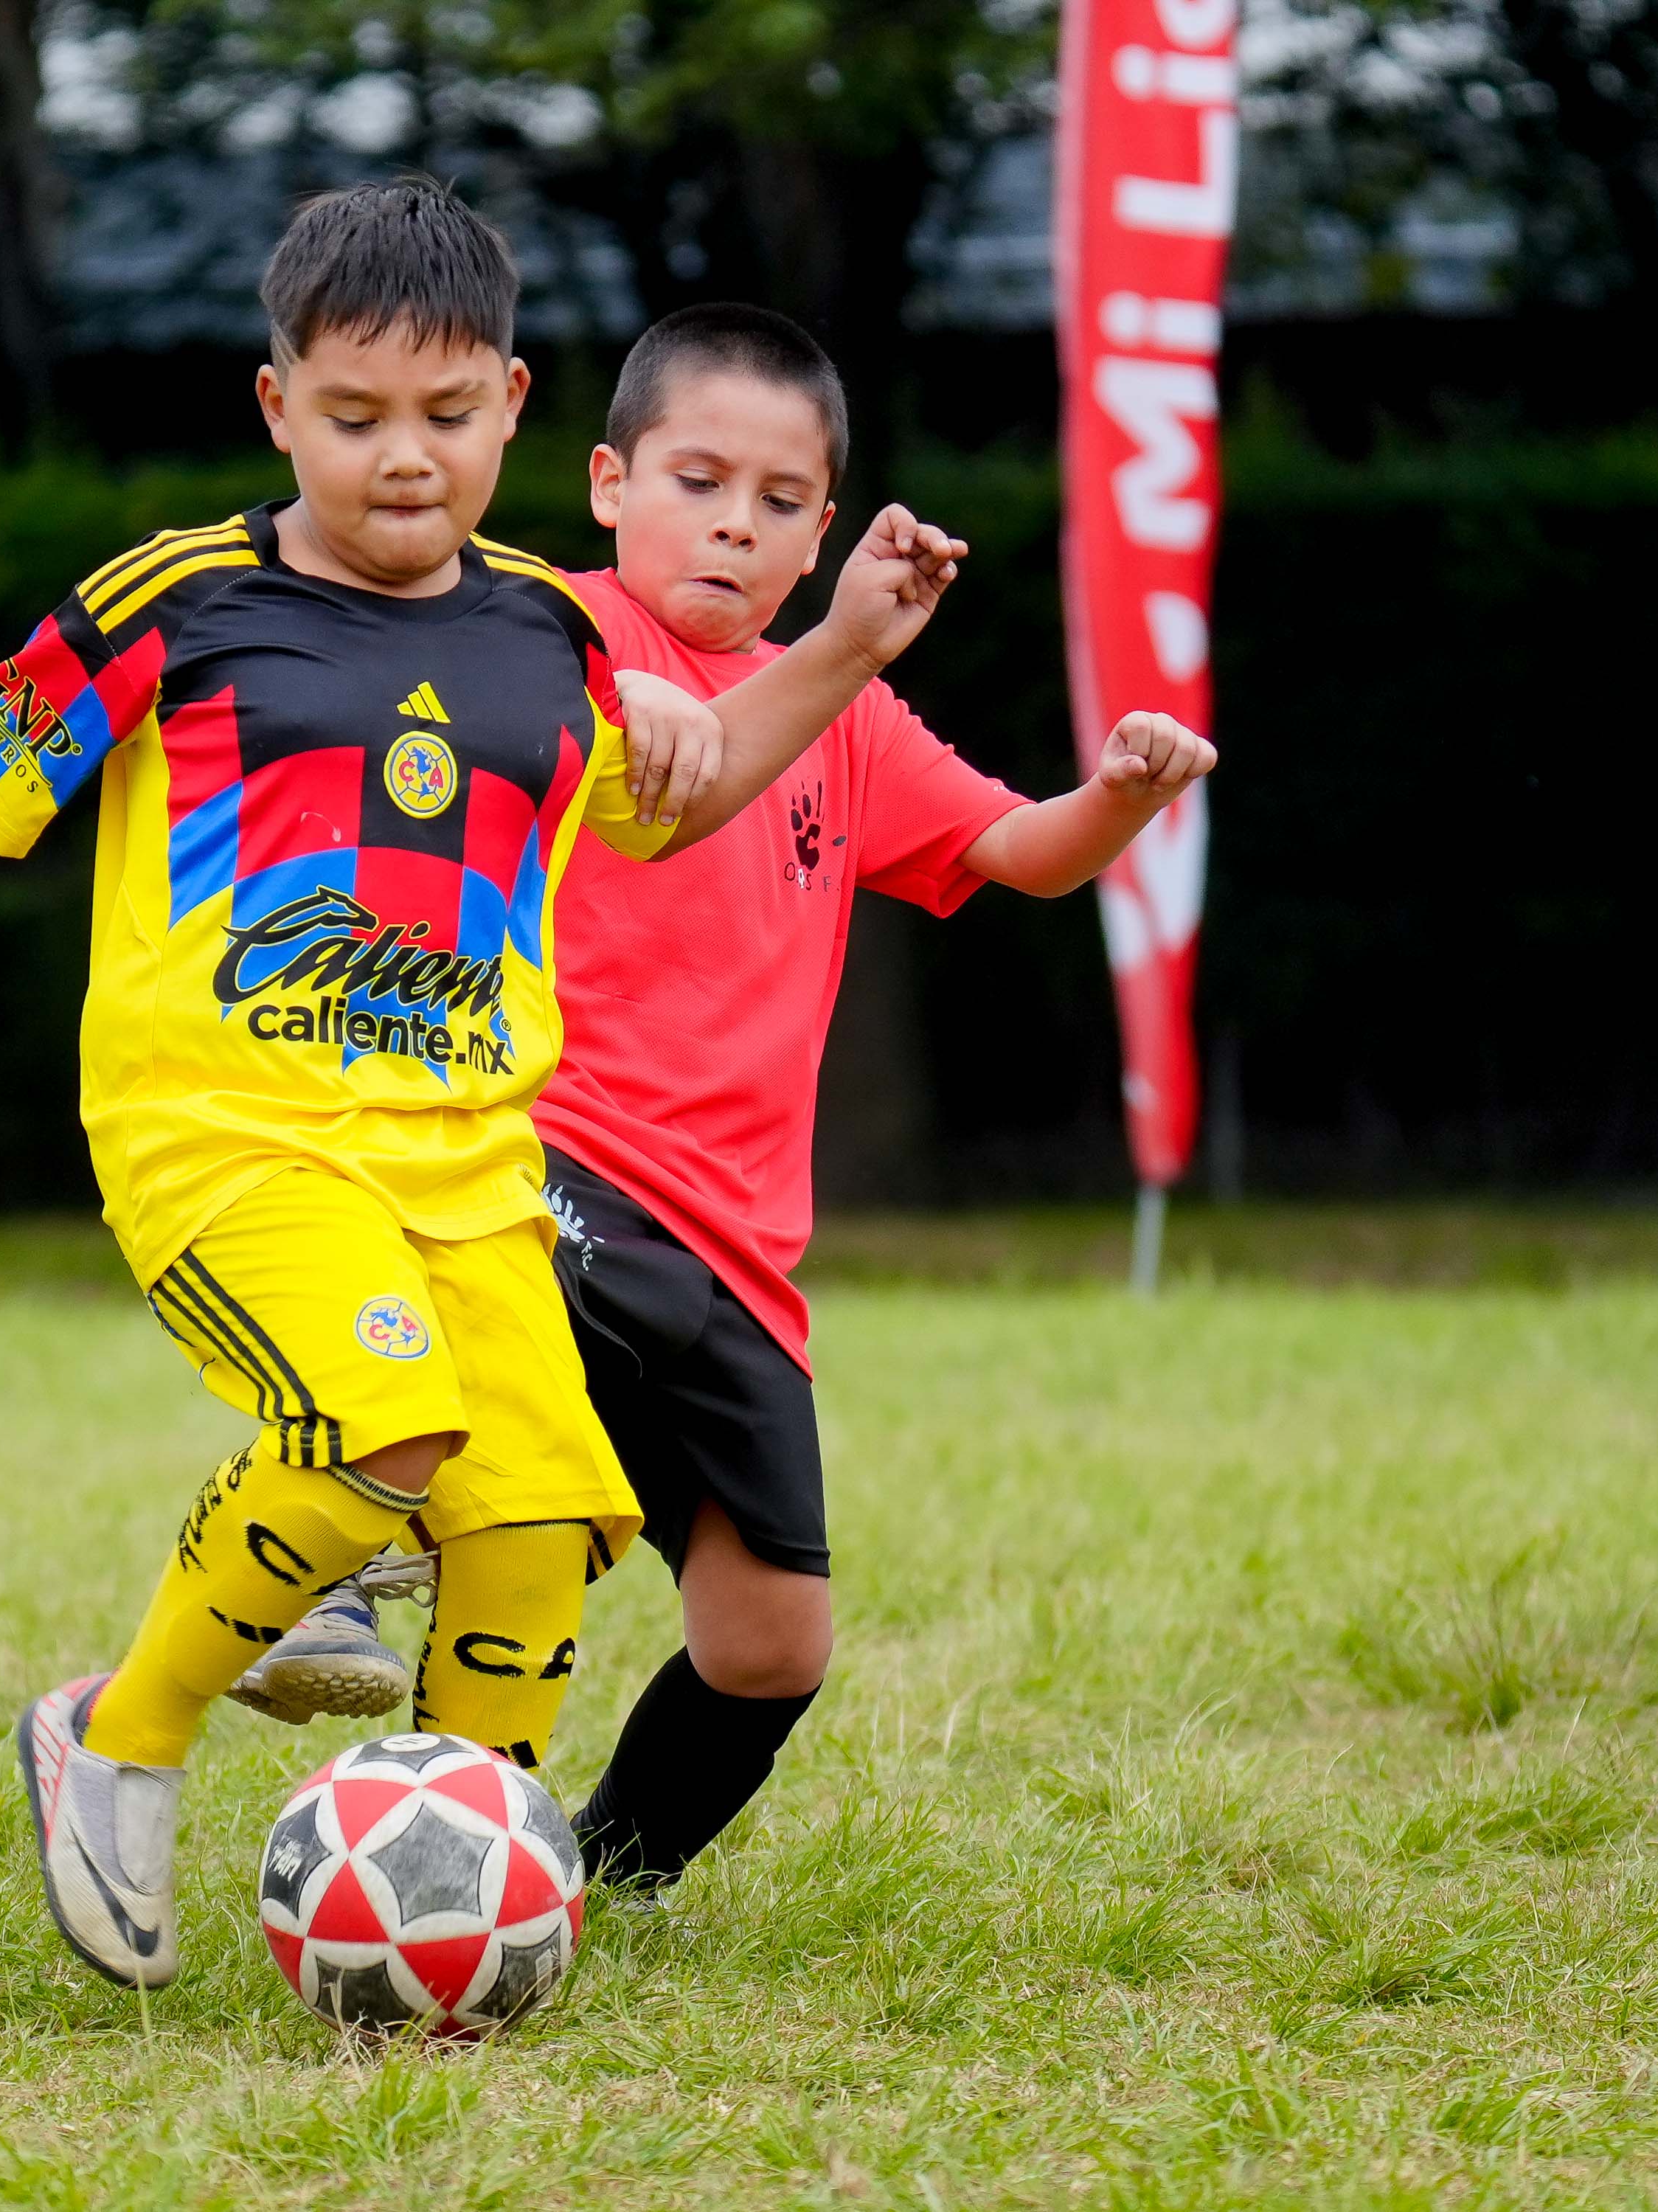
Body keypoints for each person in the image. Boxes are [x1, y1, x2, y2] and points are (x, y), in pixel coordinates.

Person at [0, 191, 968, 1989]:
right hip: (231, 1143)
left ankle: (451, 1917)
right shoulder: (179, 601)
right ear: (276, 404)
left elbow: (678, 806)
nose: (402, 458)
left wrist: (833, 648)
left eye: (445, 419)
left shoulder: (550, 631)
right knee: (380, 1432)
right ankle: (117, 1738)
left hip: (469, 1169)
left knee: (535, 1529)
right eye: (355, 416)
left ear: (513, 410)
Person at [230, 302, 1215, 1897]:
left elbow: (1021, 854)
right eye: (698, 482)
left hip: (739, 1253)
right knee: (498, 1397)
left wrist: (1121, 793)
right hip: (542, 1162)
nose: (733, 526)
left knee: (771, 1646)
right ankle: (331, 1571)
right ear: (611, 482)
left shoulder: (840, 710)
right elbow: (567, 756)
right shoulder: (536, 633)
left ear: (821, 529)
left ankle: (590, 1886)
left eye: (776, 503)